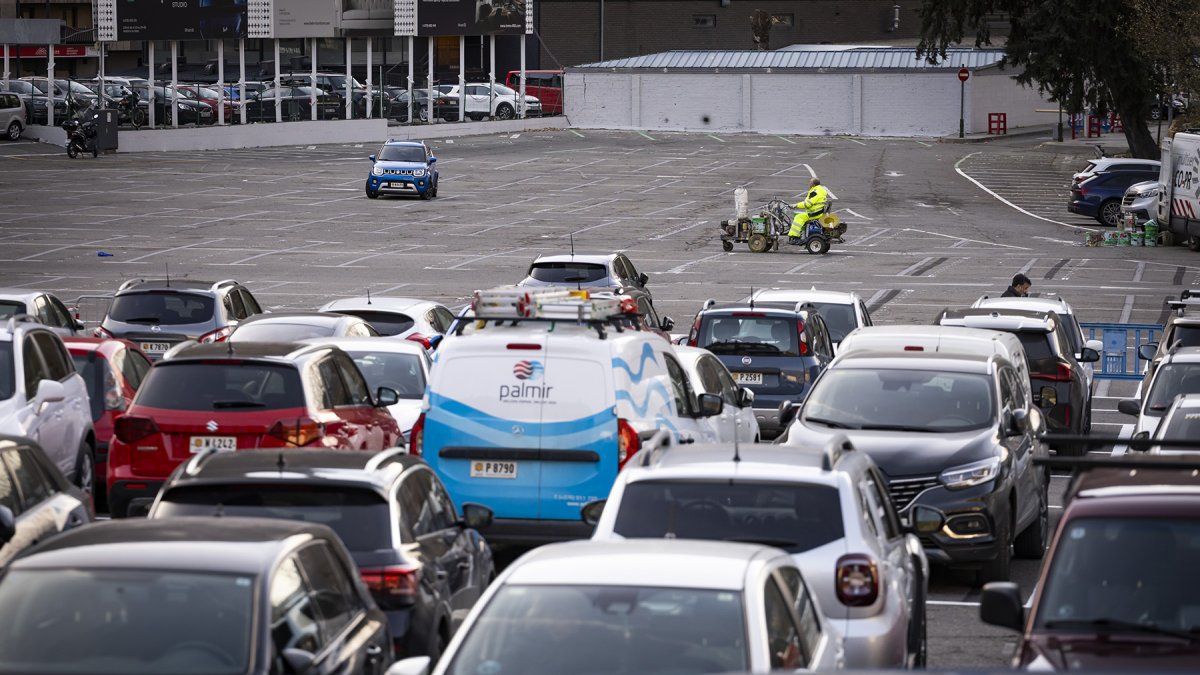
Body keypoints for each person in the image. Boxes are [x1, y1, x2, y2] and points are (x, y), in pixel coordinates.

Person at [788, 178, 830, 244]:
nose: (809, 184)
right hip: (818, 212)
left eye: (810, 182)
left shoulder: (814, 192)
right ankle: (800, 234)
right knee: (801, 216)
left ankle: (795, 237)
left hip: (814, 213)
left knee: (798, 217)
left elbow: (807, 204)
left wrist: (796, 205)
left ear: (813, 184)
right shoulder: (821, 190)